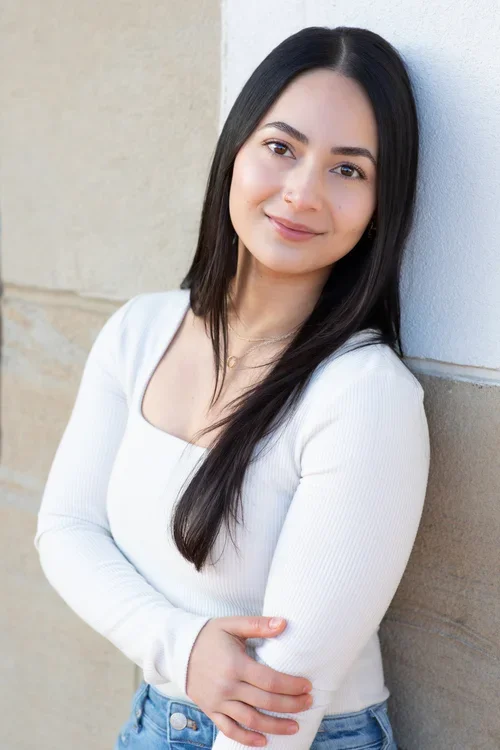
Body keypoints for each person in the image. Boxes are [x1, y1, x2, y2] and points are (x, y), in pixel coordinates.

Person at [34, 25, 430, 750]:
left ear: (382, 203)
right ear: (236, 153)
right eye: (282, 148)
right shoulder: (140, 330)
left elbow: (283, 703)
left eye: (350, 170)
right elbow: (66, 529)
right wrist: (182, 648)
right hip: (158, 718)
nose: (303, 193)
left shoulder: (365, 394)